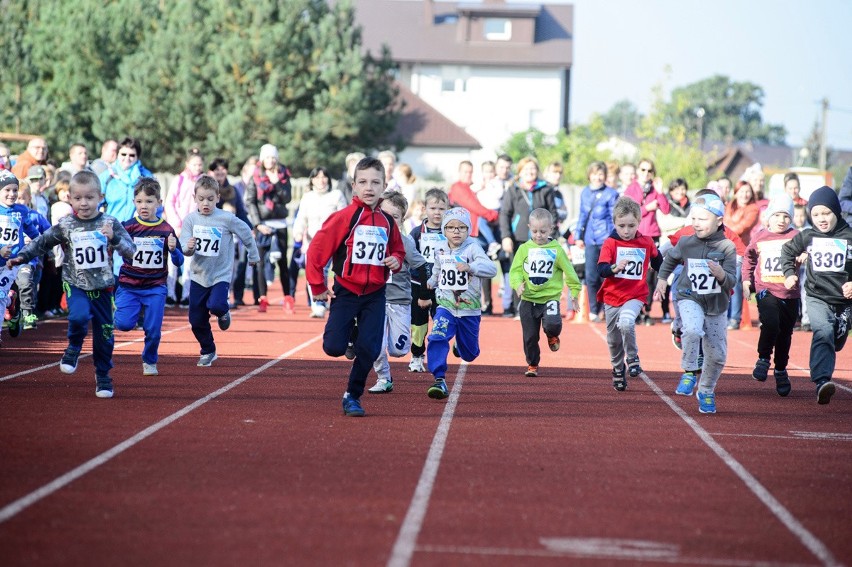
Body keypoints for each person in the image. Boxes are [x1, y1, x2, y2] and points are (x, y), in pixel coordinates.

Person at [7, 171, 136, 398]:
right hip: (76, 283)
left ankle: (103, 375)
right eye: (78, 198)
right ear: (70, 198)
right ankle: (74, 346)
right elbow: (42, 242)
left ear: (100, 197)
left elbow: (131, 252)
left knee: (105, 336)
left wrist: (113, 239)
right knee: (78, 317)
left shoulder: (109, 223)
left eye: (89, 198)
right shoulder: (67, 224)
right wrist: (22, 257)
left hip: (104, 288)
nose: (83, 203)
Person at [305, 156, 406, 417]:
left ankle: (352, 395)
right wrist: (317, 286)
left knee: (371, 348)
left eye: (375, 182)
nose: (369, 187)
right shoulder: (343, 218)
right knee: (334, 347)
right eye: (363, 182)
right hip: (346, 291)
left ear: (384, 185)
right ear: (354, 186)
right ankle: (351, 332)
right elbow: (316, 253)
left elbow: (397, 249)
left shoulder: (387, 221)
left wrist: (395, 259)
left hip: (375, 294)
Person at [654, 193, 737, 414]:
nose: (696, 224)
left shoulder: (728, 247)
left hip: (717, 304)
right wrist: (662, 280)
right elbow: (670, 259)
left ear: (719, 220)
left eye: (702, 219)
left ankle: (706, 390)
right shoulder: (686, 242)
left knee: (718, 354)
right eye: (694, 219)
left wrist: (721, 274)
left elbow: (732, 280)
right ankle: (689, 370)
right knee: (691, 329)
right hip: (689, 295)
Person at [780, 186, 852, 405]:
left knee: (836, 340)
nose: (821, 219)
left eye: (826, 213)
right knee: (823, 330)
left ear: (837, 212)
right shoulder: (808, 235)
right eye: (816, 214)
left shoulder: (849, 236)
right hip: (816, 296)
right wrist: (789, 273)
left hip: (844, 301)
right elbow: (787, 250)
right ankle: (822, 382)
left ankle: (831, 348)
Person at [180, 175, 260, 367]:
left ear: (217, 197)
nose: (205, 203)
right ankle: (208, 350)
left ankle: (223, 312)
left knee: (216, 305)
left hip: (220, 275)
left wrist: (253, 255)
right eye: (201, 199)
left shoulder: (226, 218)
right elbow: (184, 246)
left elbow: (246, 233)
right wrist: (188, 247)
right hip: (199, 275)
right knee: (196, 319)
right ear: (195, 199)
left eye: (209, 198)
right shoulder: (190, 220)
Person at [114, 178, 184, 376]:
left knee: (153, 330)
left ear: (159, 203)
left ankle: (150, 360)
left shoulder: (166, 230)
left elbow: (179, 262)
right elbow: (115, 247)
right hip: (129, 285)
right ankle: (119, 313)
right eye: (139, 201)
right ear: (134, 202)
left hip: (155, 287)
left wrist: (173, 251)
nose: (144, 206)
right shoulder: (127, 227)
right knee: (124, 324)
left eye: (149, 201)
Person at [425, 207, 497, 399]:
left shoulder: (473, 248)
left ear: (468, 230)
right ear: (444, 230)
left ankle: (461, 344)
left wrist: (471, 267)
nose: (456, 231)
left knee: (469, 354)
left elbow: (491, 269)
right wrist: (432, 280)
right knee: (437, 337)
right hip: (446, 306)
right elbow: (437, 268)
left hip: (469, 310)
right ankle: (439, 378)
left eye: (461, 228)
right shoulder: (439, 248)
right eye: (450, 227)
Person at [367, 190, 429, 393]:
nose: (388, 220)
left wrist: (423, 294)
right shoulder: (370, 237)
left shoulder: (405, 242)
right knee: (376, 344)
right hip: (375, 300)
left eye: (394, 217)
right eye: (384, 214)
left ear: (402, 219)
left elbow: (421, 267)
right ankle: (384, 377)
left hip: (400, 301)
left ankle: (399, 352)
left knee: (398, 350)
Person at [598, 197, 663, 390]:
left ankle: (633, 357)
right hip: (612, 297)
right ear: (615, 224)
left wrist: (663, 279)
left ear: (639, 222)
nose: (626, 231)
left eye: (631, 226)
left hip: (635, 295)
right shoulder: (610, 243)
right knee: (613, 340)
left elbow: (661, 263)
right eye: (621, 226)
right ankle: (618, 369)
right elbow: (601, 269)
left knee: (626, 323)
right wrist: (614, 268)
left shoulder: (646, 242)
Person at [509, 208, 580, 377]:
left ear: (551, 229)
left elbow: (569, 272)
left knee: (553, 324)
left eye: (542, 231)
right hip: (528, 298)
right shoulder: (524, 249)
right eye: (534, 231)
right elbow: (515, 271)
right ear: (529, 227)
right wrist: (518, 284)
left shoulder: (557, 250)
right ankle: (533, 363)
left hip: (550, 298)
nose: (538, 235)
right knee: (530, 337)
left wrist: (574, 293)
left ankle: (552, 335)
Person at [742, 195, 799, 396]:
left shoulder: (795, 236)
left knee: (785, 333)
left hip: (790, 294)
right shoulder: (760, 236)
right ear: (769, 218)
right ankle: (763, 358)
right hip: (765, 289)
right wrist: (747, 280)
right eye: (777, 215)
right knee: (771, 323)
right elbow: (749, 259)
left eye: (786, 216)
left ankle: (781, 369)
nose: (781, 220)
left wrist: (804, 255)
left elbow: (807, 251)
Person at [499, 156, 560, 317]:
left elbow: (553, 214)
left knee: (540, 275)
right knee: (519, 274)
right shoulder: (513, 189)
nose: (530, 172)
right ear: (519, 172)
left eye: (533, 169)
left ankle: (543, 308)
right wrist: (506, 236)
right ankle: (520, 309)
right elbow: (505, 214)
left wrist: (551, 236)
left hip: (541, 241)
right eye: (526, 169)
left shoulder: (545, 189)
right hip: (518, 239)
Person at [244, 143, 293, 313]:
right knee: (260, 262)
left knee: (282, 262)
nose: (270, 161)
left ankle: (288, 298)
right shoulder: (255, 177)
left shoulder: (284, 174)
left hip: (280, 222)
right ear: (262, 159)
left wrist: (277, 183)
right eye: (267, 157)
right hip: (262, 224)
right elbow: (250, 201)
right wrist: (258, 224)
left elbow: (287, 198)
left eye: (273, 157)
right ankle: (262, 298)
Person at [291, 166, 346, 317]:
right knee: (315, 271)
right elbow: (301, 217)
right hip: (313, 241)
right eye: (317, 177)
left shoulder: (336, 195)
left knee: (333, 271)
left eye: (324, 177)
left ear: (328, 179)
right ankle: (318, 303)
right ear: (312, 180)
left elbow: (344, 217)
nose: (321, 181)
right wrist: (297, 232)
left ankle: (336, 301)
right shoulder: (308, 197)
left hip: (333, 240)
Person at [624, 158, 669, 325]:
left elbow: (665, 209)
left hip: (651, 236)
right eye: (643, 170)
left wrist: (661, 192)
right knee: (634, 275)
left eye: (649, 171)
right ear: (638, 171)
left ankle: (646, 309)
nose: (646, 173)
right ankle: (635, 309)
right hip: (635, 236)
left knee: (650, 277)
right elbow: (628, 211)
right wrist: (647, 208)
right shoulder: (631, 188)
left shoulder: (655, 190)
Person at [408, 187, 449, 373]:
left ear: (447, 209)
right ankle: (417, 355)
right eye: (433, 208)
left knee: (441, 322)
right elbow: (408, 256)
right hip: (419, 285)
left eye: (441, 209)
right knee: (418, 325)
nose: (437, 213)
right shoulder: (416, 233)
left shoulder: (451, 232)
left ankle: (438, 356)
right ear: (425, 208)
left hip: (443, 285)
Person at [0, 171, 43, 344]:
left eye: (15, 190)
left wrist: (44, 242)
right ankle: (11, 300)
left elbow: (32, 231)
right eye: (7, 190)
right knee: (2, 296)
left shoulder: (22, 211)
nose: (12, 194)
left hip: (10, 264)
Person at [573, 161, 619, 322]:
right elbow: (582, 215)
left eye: (600, 174)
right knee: (591, 275)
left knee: (606, 276)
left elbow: (615, 218)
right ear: (589, 175)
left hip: (606, 239)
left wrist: (615, 238)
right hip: (590, 240)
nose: (597, 177)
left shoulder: (611, 194)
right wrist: (578, 235)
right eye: (594, 174)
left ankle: (606, 308)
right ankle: (593, 309)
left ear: (605, 176)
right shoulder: (585, 192)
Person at [165, 147, 204, 307]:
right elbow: (170, 202)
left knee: (190, 262)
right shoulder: (179, 180)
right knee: (172, 262)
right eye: (194, 164)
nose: (197, 168)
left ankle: (187, 295)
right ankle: (170, 294)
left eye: (200, 165)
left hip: (194, 228)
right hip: (177, 227)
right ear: (188, 164)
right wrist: (177, 223)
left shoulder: (203, 181)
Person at [723, 180, 760, 330]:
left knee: (736, 282)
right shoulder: (729, 206)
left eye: (748, 191)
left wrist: (723, 229)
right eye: (742, 191)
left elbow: (742, 227)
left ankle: (734, 318)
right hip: (725, 249)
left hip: (741, 250)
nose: (745, 194)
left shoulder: (753, 209)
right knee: (723, 283)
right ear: (736, 192)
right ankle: (724, 315)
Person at [657, 178, 691, 323]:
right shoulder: (666, 205)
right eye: (677, 189)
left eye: (683, 189)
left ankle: (681, 314)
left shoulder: (690, 206)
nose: (680, 192)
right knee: (666, 279)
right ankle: (665, 311)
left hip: (686, 248)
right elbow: (664, 223)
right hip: (669, 245)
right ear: (671, 191)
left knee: (681, 279)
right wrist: (684, 222)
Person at [231, 156, 258, 307]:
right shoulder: (236, 188)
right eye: (250, 173)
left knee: (256, 262)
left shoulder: (259, 187)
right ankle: (238, 296)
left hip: (256, 226)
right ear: (244, 172)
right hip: (240, 229)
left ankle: (258, 296)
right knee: (240, 263)